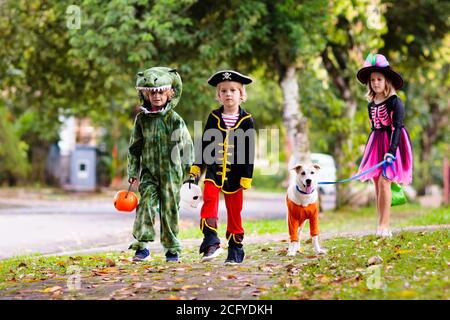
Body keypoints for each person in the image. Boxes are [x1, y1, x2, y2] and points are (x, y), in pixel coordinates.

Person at [127, 67, 194, 262]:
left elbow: (187, 145)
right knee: (145, 205)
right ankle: (142, 247)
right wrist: (133, 170)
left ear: (169, 93)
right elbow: (134, 147)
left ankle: (172, 248)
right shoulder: (142, 120)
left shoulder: (174, 119)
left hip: (171, 173)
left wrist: (190, 172)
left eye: (161, 92)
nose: (157, 96)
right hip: (148, 173)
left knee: (170, 209)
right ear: (145, 94)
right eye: (152, 92)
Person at [190, 70, 255, 264]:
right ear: (218, 95)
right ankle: (211, 241)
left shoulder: (247, 120)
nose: (228, 94)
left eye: (233, 90)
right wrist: (196, 168)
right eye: (224, 91)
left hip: (236, 175)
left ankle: (235, 249)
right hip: (213, 171)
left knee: (235, 211)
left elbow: (249, 150)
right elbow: (205, 143)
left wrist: (247, 176)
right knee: (209, 200)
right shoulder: (213, 117)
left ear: (241, 95)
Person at [356, 53, 413, 237]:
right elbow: (374, 128)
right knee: (376, 181)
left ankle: (385, 226)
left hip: (393, 143)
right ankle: (379, 223)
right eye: (372, 80)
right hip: (376, 142)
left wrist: (391, 151)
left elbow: (397, 128)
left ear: (386, 80)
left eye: (379, 79)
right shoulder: (371, 104)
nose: (375, 83)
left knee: (385, 180)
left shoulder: (395, 102)